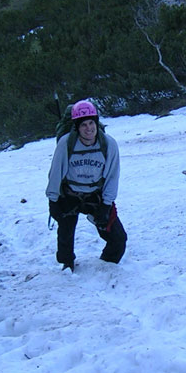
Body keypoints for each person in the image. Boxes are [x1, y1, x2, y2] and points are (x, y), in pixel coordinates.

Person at [46, 99, 127, 271]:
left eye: (92, 123)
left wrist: (106, 205)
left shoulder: (108, 144)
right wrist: (53, 201)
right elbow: (55, 173)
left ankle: (107, 267)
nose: (89, 128)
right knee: (65, 233)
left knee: (118, 239)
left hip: (95, 196)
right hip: (70, 194)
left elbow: (112, 176)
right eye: (84, 125)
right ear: (76, 126)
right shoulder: (66, 144)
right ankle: (66, 265)